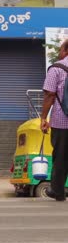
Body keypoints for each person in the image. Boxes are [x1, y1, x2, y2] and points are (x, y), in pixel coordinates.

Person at [40, 39, 68, 202]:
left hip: (61, 122)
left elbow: (49, 95)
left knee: (61, 156)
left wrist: (43, 118)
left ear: (65, 50)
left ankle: (57, 191)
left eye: (60, 49)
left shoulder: (57, 68)